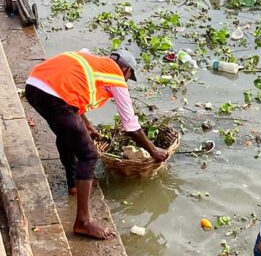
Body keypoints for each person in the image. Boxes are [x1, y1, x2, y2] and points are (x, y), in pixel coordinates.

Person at [24, 49, 168, 240]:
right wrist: (154, 151)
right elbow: (131, 126)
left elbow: (71, 88)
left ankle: (73, 184)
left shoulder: (90, 59)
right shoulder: (116, 77)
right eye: (129, 77)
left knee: (66, 133)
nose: (126, 82)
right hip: (54, 95)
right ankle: (83, 222)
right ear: (125, 71)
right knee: (89, 154)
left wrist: (87, 125)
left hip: (34, 86)